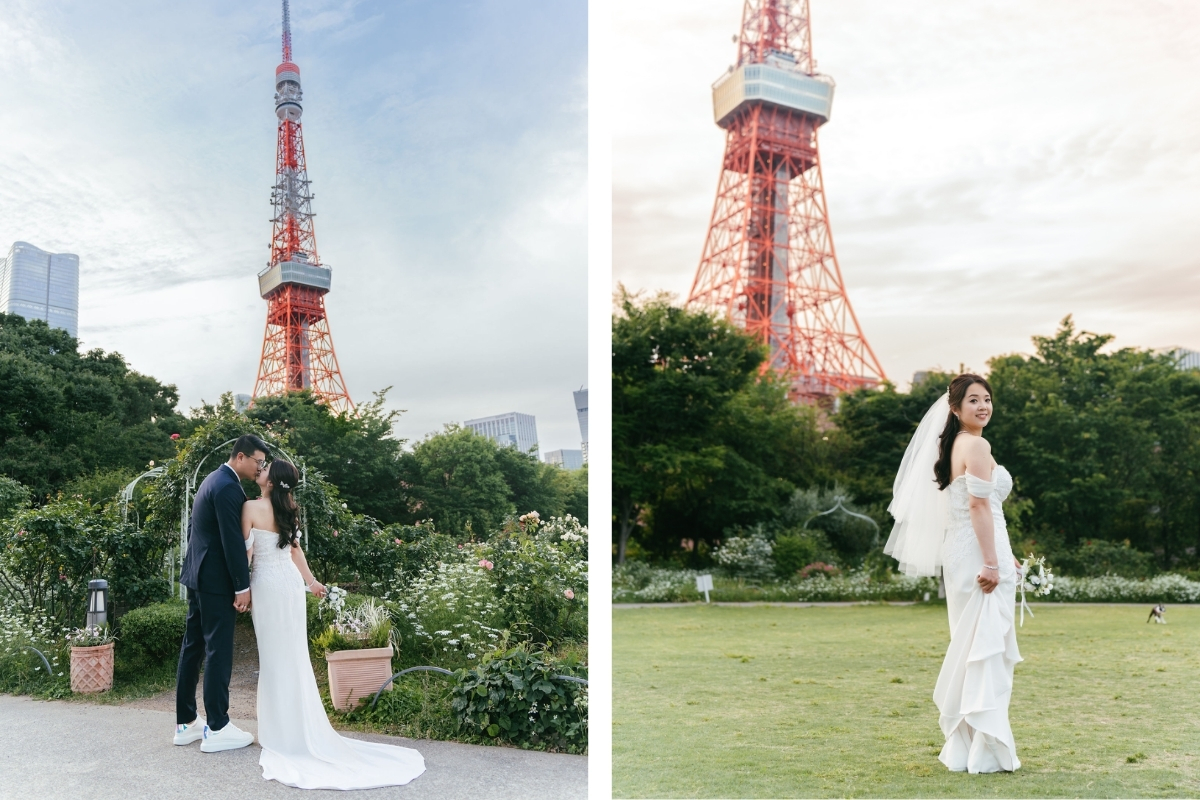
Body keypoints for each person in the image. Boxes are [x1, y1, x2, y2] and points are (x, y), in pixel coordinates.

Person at [241, 459, 425, 789]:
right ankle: (295, 729)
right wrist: (311, 583)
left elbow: (247, 557)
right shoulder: (288, 512)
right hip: (291, 589)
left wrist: (239, 589)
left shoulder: (250, 508)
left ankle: (280, 734)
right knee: (293, 658)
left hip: (268, 588)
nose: (261, 469)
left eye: (266, 468)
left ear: (271, 481)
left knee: (273, 660)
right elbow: (296, 553)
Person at [884, 373, 1023, 773]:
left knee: (972, 646)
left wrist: (1004, 554)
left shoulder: (953, 445)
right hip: (979, 557)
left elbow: (976, 510)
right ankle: (984, 750)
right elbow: (979, 508)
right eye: (974, 401)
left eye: (988, 399)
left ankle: (971, 746)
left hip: (968, 552)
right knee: (983, 649)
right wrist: (992, 562)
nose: (983, 407)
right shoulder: (976, 444)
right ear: (956, 408)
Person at [174, 434, 268, 753]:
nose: (261, 468)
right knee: (218, 649)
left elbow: (195, 530)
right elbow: (231, 541)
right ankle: (217, 726)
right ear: (241, 457)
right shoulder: (228, 487)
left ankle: (186, 723)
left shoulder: (212, 479)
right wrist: (242, 586)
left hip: (197, 574)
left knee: (193, 646)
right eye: (258, 462)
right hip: (214, 581)